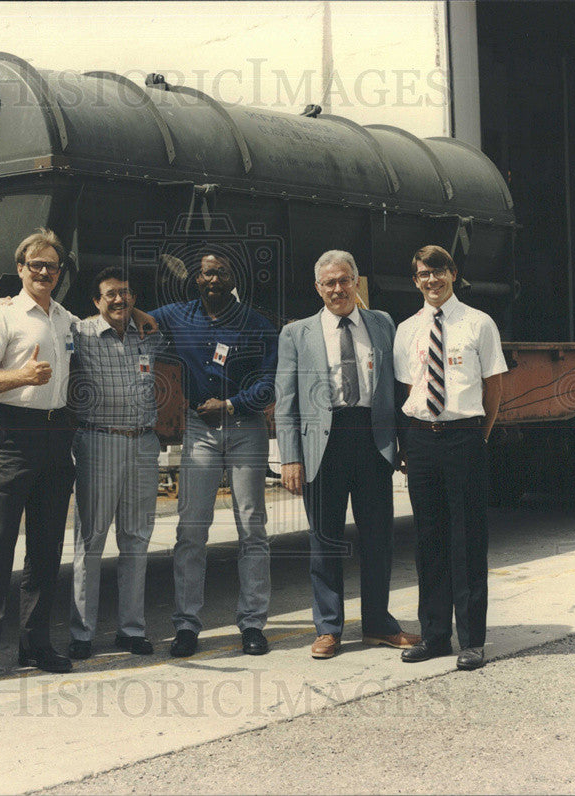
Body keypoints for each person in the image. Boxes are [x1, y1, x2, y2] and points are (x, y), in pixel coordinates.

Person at [276, 250, 420, 659]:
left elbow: (396, 389)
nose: (337, 289)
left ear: (356, 282)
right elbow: (286, 400)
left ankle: (378, 623)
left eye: (344, 280)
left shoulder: (382, 323)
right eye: (328, 283)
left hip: (372, 441)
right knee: (325, 540)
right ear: (317, 288)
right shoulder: (297, 334)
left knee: (378, 538)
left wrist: (403, 445)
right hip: (324, 443)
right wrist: (290, 457)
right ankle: (328, 628)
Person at [0, 229, 79, 689]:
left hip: (55, 434)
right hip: (12, 433)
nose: (45, 272)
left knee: (46, 548)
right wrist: (21, 375)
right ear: (21, 269)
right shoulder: (3, 315)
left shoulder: (65, 319)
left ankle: (35, 645)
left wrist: (141, 314)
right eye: (37, 265)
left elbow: (109, 317)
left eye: (53, 266)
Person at [150, 251, 277, 657]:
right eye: (207, 272)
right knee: (190, 530)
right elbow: (128, 313)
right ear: (196, 278)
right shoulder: (176, 316)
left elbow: (271, 382)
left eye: (222, 271)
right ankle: (187, 626)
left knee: (251, 528)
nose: (214, 279)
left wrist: (232, 403)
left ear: (232, 277)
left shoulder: (256, 323)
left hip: (245, 429)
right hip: (200, 433)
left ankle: (253, 623)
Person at [393, 244, 506, 671]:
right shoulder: (407, 330)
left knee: (468, 539)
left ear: (453, 274)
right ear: (416, 280)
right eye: (423, 274)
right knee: (428, 539)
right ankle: (436, 635)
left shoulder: (479, 324)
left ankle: (472, 640)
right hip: (421, 439)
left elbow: (493, 388)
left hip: (464, 436)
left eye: (438, 272)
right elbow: (408, 389)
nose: (432, 281)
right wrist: (409, 443)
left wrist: (479, 434)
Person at [67, 267, 164, 659]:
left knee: (136, 541)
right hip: (99, 439)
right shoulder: (80, 332)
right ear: (96, 300)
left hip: (143, 444)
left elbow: (170, 318)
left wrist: (144, 317)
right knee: (90, 541)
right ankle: (82, 634)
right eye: (110, 294)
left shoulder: (148, 337)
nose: (119, 300)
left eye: (125, 293)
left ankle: (131, 629)